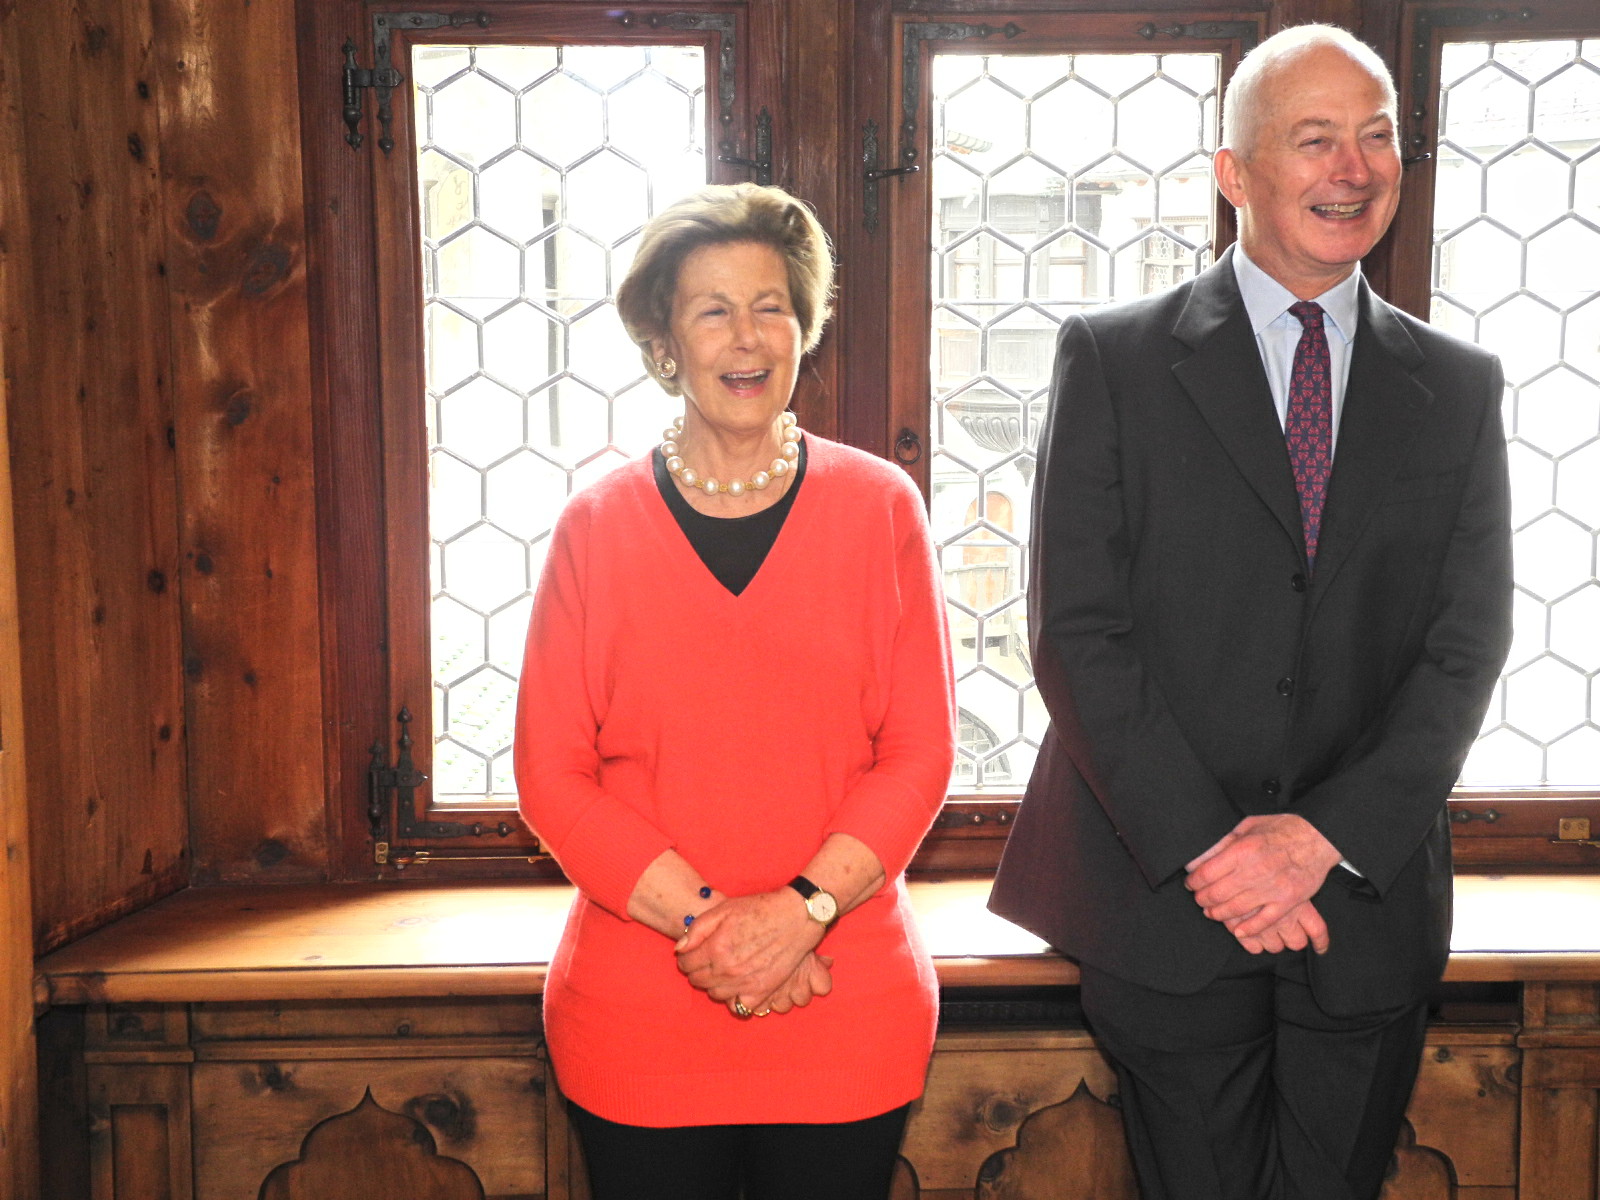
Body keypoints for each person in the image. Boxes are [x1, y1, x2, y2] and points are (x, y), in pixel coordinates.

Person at [990, 24, 1513, 1200]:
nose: (1353, 168)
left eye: (1375, 136)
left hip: (1362, 902)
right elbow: (1077, 632)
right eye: (1314, 138)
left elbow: (1466, 643)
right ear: (1234, 172)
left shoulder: (1458, 385)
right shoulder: (1112, 360)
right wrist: (1216, 853)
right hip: (1164, 898)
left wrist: (1317, 840)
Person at [514, 182, 956, 1200]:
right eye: (712, 310)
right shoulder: (594, 527)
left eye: (770, 307)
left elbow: (920, 754)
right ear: (664, 341)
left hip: (845, 1003)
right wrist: (726, 933)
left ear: (804, 328)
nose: (746, 337)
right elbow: (551, 776)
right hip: (640, 1016)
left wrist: (800, 916)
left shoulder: (881, 508)